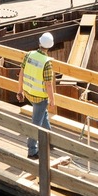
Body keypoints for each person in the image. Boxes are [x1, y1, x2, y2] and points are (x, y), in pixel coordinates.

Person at [16, 31, 56, 160]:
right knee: (36, 123)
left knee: (42, 115)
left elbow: (21, 73)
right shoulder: (47, 63)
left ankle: (50, 140)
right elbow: (48, 85)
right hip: (40, 97)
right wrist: (52, 99)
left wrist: (20, 90)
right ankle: (32, 151)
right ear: (50, 46)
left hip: (29, 93)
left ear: (39, 43)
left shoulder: (29, 55)